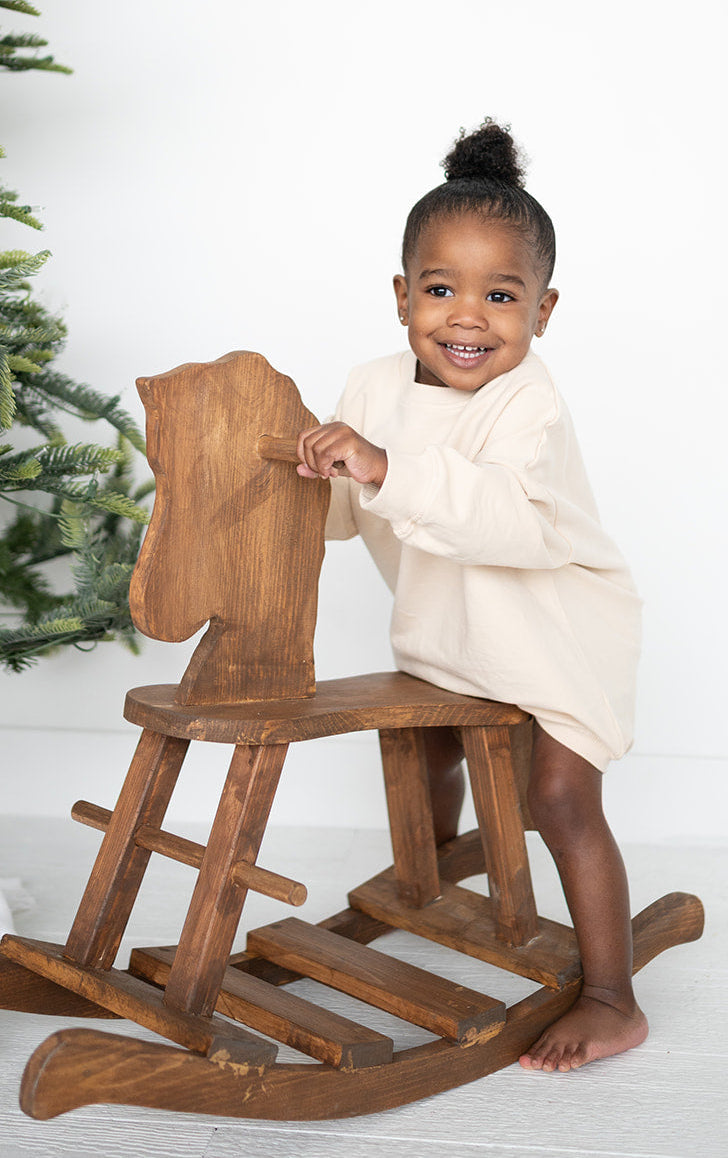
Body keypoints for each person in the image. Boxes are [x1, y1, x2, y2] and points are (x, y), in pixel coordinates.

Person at [296, 120, 648, 1073]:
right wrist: (309, 466)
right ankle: (434, 883)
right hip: (453, 630)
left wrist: (378, 464)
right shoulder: (371, 385)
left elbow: (501, 519)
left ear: (544, 309)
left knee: (559, 796)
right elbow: (334, 514)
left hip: (561, 626)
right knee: (424, 748)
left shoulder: (526, 401)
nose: (468, 317)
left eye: (502, 296)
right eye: (442, 290)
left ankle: (613, 995)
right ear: (403, 295)